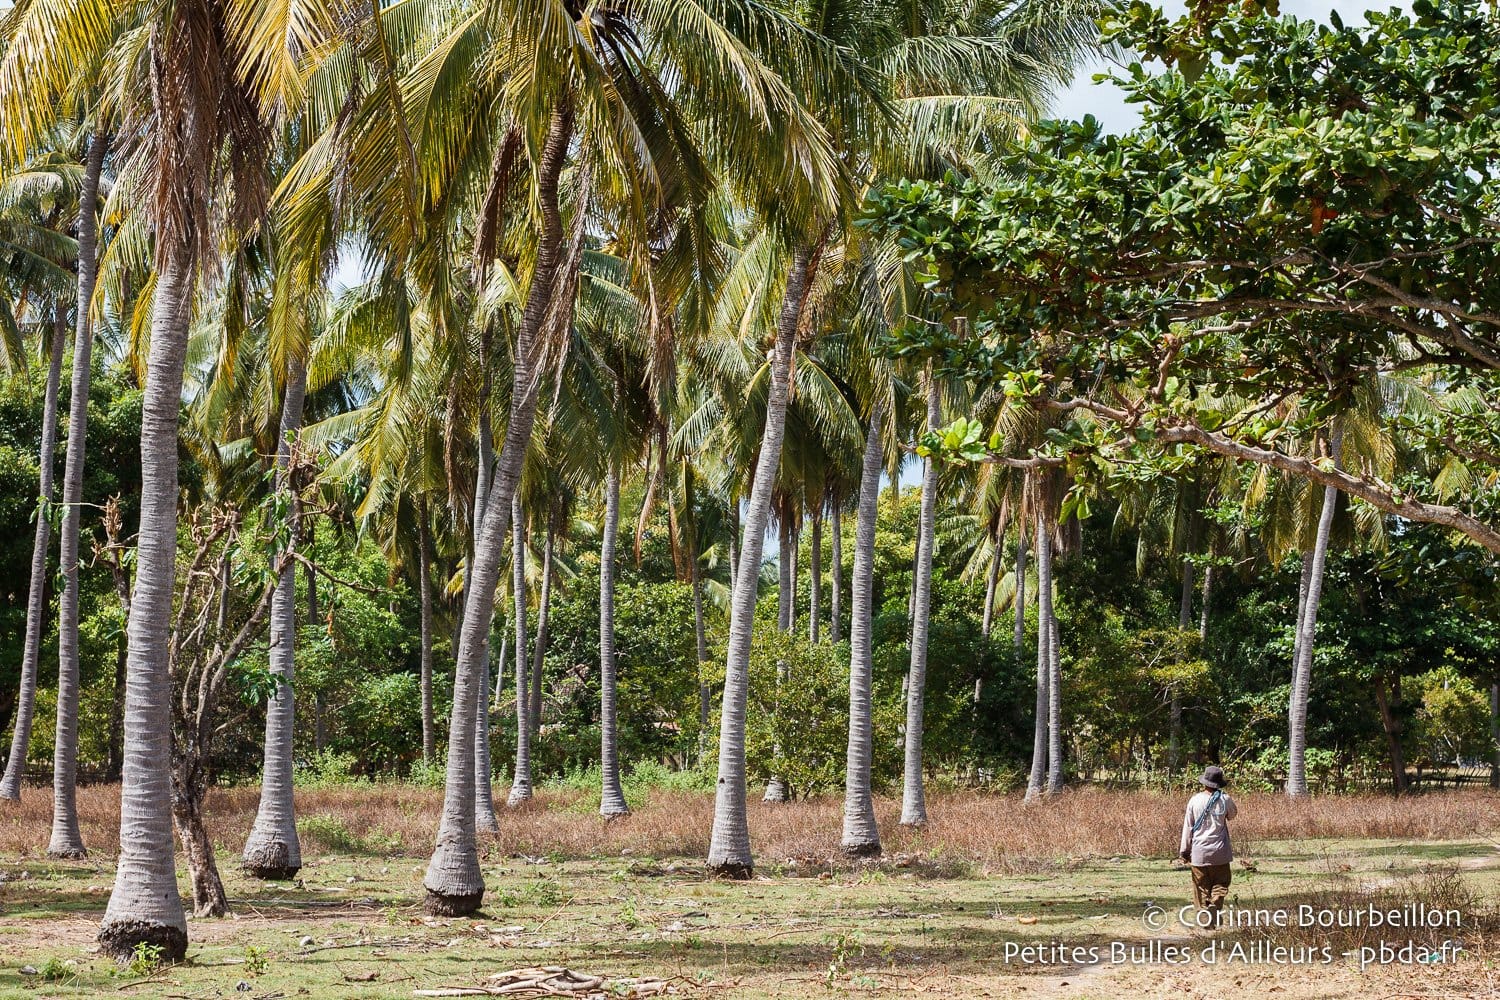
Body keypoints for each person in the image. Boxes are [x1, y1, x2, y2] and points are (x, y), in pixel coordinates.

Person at [1178, 765, 1237, 926]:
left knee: (1200, 887)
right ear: (1219, 783)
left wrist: (1184, 851)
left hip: (1199, 852)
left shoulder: (1195, 800)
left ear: (1204, 782)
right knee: (1221, 883)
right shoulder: (1225, 799)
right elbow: (1232, 815)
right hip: (1220, 852)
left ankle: (1204, 916)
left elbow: (1188, 827)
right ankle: (1215, 903)